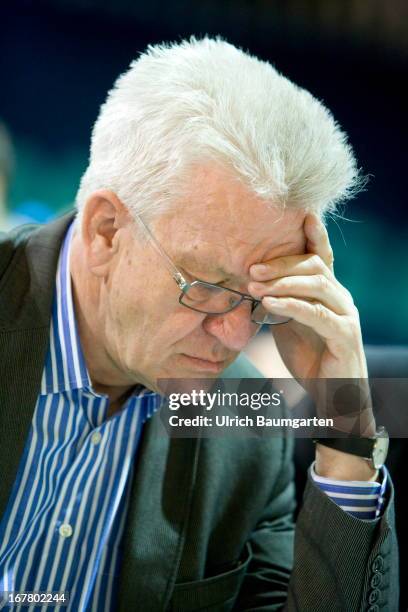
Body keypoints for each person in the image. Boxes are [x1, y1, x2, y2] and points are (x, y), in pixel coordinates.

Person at [0, 37, 398, 611]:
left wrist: (347, 430)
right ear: (107, 229)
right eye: (208, 287)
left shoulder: (247, 426)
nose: (236, 336)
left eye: (262, 302)